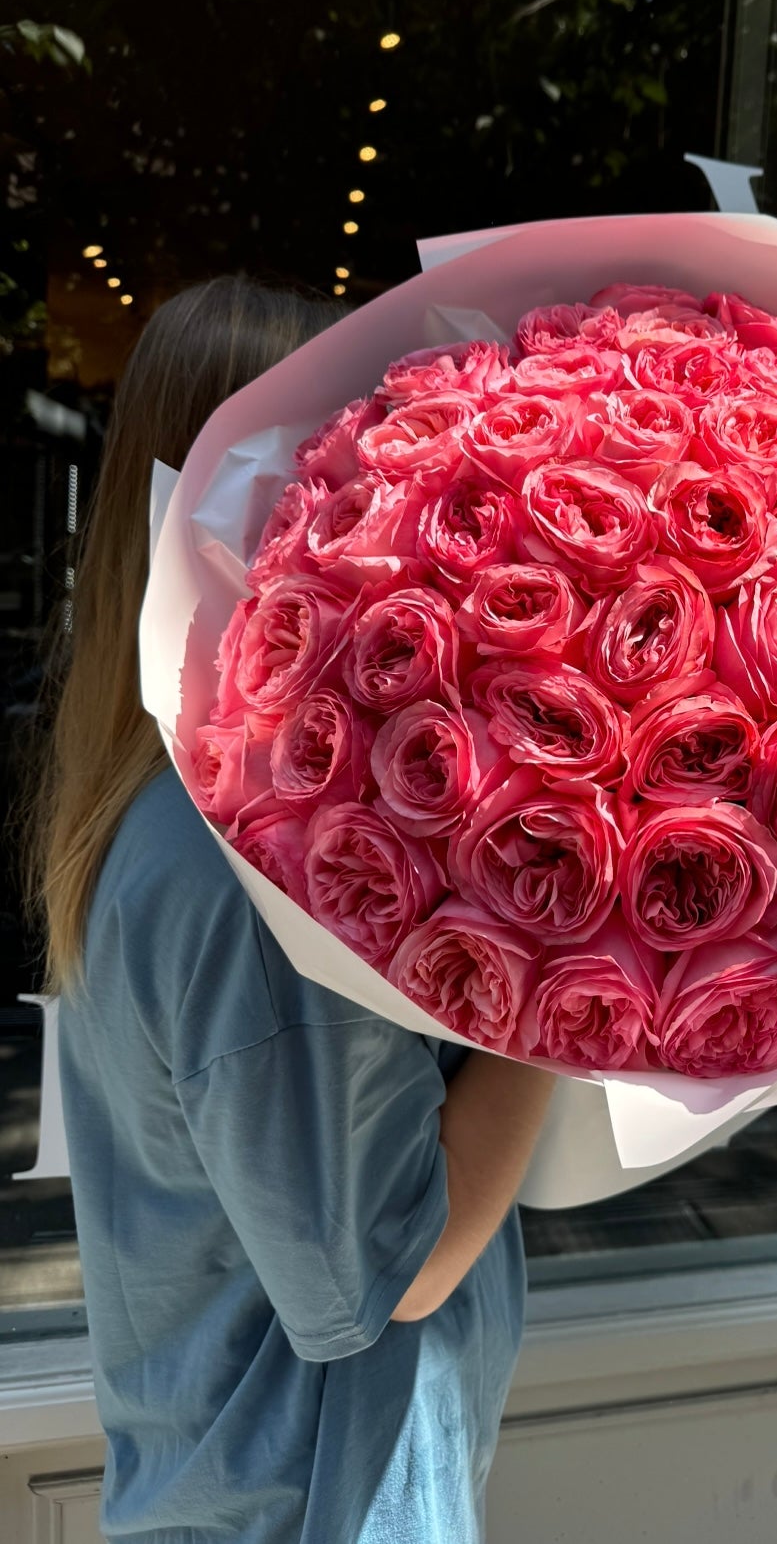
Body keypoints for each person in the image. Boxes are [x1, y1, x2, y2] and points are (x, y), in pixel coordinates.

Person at [24, 275, 555, 1544]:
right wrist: (557, 987)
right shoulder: (246, 871)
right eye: (360, 455)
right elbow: (396, 1268)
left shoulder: (150, 800)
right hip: (323, 1500)